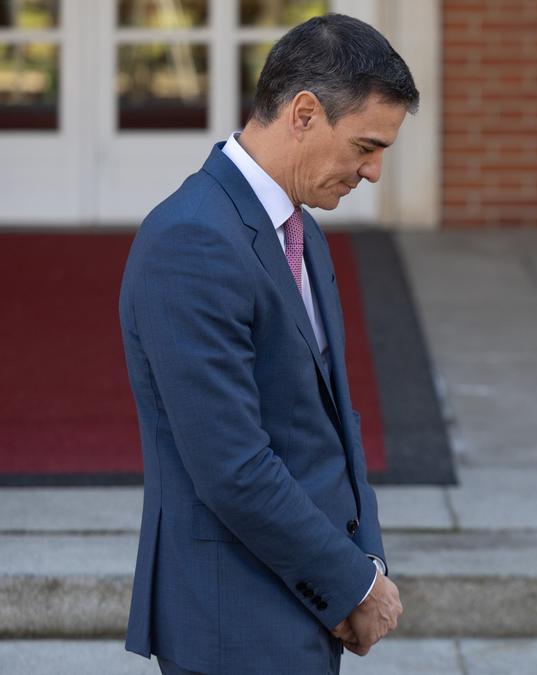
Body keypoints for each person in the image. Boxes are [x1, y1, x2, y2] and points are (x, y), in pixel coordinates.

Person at [118, 14, 418, 674]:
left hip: (303, 601)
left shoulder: (299, 231)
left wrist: (363, 563)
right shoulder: (191, 241)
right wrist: (355, 585)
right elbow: (233, 466)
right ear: (304, 113)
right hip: (234, 621)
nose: (372, 172)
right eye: (366, 146)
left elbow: (332, 423)